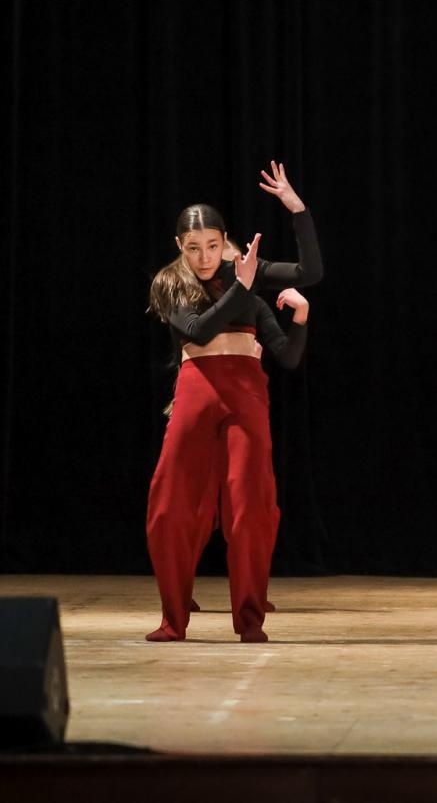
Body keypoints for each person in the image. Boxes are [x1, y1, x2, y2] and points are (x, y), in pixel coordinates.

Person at [145, 186, 314, 642]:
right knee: (170, 502)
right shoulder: (170, 283)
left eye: (213, 246)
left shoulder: (247, 281)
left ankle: (250, 619)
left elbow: (310, 271)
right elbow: (199, 331)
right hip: (197, 389)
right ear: (179, 246)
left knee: (251, 504)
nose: (204, 257)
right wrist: (241, 285)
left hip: (245, 393)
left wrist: (297, 212)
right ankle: (172, 619)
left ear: (225, 241)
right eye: (194, 247)